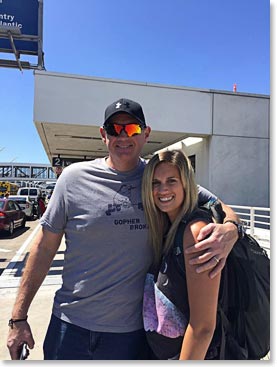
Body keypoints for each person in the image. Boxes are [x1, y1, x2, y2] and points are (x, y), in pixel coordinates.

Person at [7, 98, 239, 360]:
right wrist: (18, 317)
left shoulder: (158, 179)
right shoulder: (72, 179)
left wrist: (231, 230)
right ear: (103, 135)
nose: (122, 136)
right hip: (68, 327)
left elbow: (221, 206)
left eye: (131, 129)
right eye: (114, 129)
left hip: (131, 337)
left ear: (146, 133)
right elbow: (43, 247)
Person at [142, 149, 227, 360]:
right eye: (155, 183)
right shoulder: (166, 227)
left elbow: (203, 327)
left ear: (186, 185)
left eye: (172, 180)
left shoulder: (196, 231)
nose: (163, 189)